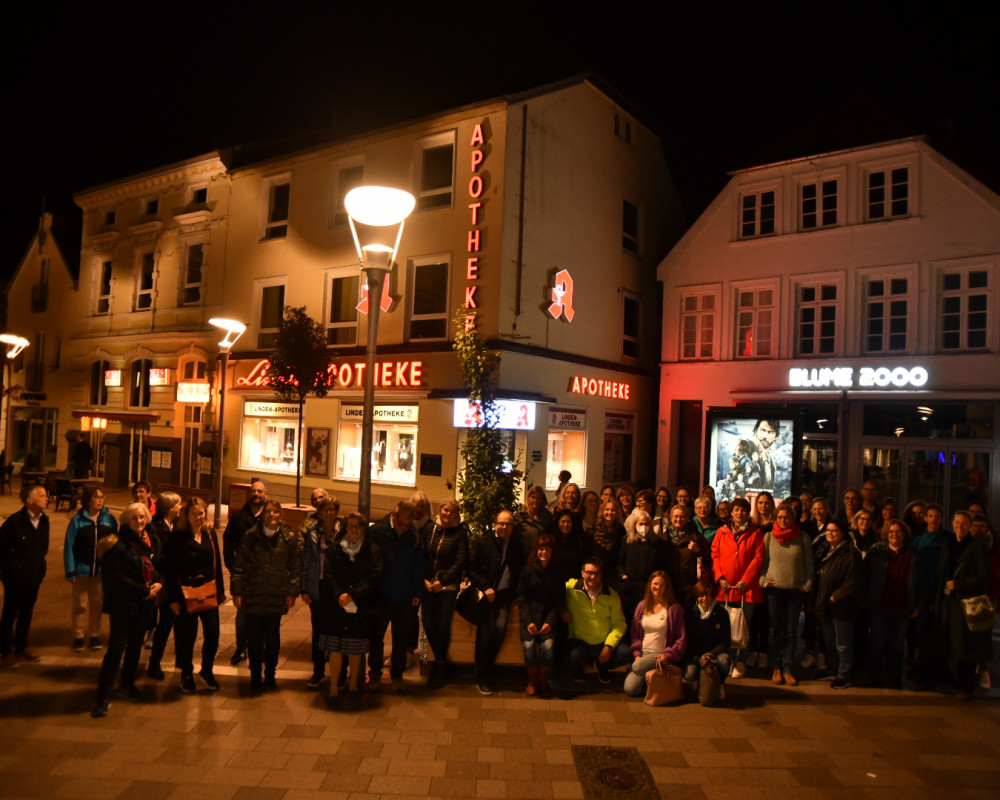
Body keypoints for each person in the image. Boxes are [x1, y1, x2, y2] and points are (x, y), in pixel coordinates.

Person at [91, 503, 163, 716]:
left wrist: (160, 583)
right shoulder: (118, 544)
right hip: (124, 605)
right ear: (126, 520)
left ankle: (127, 685)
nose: (139, 522)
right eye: (135, 518)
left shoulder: (146, 540)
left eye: (142, 518)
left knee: (135, 647)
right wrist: (144, 590)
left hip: (143, 604)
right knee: (116, 649)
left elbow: (152, 568)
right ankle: (102, 696)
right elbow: (116, 577)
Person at [230, 500, 300, 692]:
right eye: (268, 512)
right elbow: (239, 566)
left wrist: (292, 592)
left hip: (276, 595)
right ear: (262, 515)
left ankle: (270, 674)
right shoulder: (250, 536)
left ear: (281, 515)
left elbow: (295, 567)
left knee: (272, 638)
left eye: (276, 512)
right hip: (253, 595)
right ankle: (254, 675)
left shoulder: (288, 537)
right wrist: (237, 592)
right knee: (253, 638)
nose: (272, 515)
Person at [320, 511, 382, 709]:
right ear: (345, 528)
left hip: (361, 605)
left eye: (358, 526)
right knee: (336, 648)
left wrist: (353, 594)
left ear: (363, 528)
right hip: (337, 606)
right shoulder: (335, 549)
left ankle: (354, 684)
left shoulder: (372, 550)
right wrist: (340, 595)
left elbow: (374, 575)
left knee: (356, 647)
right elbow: (328, 574)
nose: (354, 529)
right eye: (350, 526)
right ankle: (334, 689)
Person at [165, 497, 225, 693]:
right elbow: (171, 569)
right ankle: (186, 673)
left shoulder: (210, 534)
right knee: (186, 637)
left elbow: (216, 564)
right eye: (194, 514)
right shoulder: (177, 537)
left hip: (208, 591)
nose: (198, 517)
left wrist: (221, 592)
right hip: (185, 594)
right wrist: (173, 599)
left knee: (213, 634)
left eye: (201, 513)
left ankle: (207, 670)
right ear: (186, 515)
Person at [467, 510, 524, 695]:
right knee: (484, 631)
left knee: (500, 628)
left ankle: (484, 665)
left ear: (512, 527)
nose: (504, 527)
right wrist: (485, 587)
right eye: (501, 523)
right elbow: (471, 569)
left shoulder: (516, 546)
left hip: (505, 596)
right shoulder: (483, 543)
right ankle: (483, 675)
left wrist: (516, 594)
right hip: (485, 595)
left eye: (507, 524)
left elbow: (519, 571)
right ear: (495, 524)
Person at [369, 500, 424, 693]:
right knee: (376, 636)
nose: (405, 527)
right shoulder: (377, 531)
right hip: (381, 593)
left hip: (404, 596)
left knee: (400, 639)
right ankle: (375, 673)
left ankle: (397, 675)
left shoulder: (414, 535)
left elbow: (418, 565)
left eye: (409, 524)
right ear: (394, 515)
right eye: (403, 523)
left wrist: (417, 592)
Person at [937, 511, 991, 700]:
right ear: (952, 524)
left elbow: (983, 575)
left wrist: (958, 585)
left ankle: (965, 686)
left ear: (970, 526)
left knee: (964, 646)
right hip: (947, 601)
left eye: (964, 523)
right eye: (957, 522)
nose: (960, 526)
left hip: (965, 602)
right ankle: (949, 680)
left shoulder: (977, 547)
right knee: (947, 642)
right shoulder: (947, 545)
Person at [760, 503, 813, 686]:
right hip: (774, 591)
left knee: (791, 631)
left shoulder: (803, 537)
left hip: (795, 591)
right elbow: (763, 563)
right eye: (780, 517)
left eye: (787, 517)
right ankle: (775, 666)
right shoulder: (769, 537)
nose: (783, 520)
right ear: (776, 518)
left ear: (793, 518)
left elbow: (809, 565)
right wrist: (763, 581)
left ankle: (788, 667)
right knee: (774, 629)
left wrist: (807, 585)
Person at [711, 497, 765, 679]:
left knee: (744, 626)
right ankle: (726, 659)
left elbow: (758, 558)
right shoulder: (721, 532)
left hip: (746, 589)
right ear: (731, 513)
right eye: (736, 510)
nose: (739, 513)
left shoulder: (756, 533)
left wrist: (746, 580)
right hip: (725, 588)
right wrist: (720, 578)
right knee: (725, 626)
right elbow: (715, 555)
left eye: (743, 510)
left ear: (747, 512)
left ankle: (741, 660)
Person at [865, 518, 919, 688]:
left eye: (898, 531)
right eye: (891, 531)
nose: (894, 535)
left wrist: (918, 604)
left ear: (904, 534)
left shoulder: (913, 554)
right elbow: (865, 576)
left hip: (903, 606)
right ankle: (875, 677)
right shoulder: (876, 551)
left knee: (897, 645)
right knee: (877, 642)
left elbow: (921, 581)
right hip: (879, 605)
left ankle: (894, 677)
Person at [0, 486, 50, 668]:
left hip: (34, 576)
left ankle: (21, 647)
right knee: (10, 614)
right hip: (15, 578)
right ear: (30, 500)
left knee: (27, 613)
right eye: (42, 496)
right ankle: (6, 652)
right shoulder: (14, 523)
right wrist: (9, 573)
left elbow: (43, 548)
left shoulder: (44, 521)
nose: (47, 498)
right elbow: (2, 552)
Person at [421, 499, 468, 688]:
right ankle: (442, 660)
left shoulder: (460, 533)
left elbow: (461, 560)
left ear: (457, 515)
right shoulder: (429, 529)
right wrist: (424, 579)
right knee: (428, 622)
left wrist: (443, 581)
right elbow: (422, 555)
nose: (448, 514)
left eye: (452, 512)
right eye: (446, 510)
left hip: (447, 587)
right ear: (440, 510)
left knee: (443, 624)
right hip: (427, 585)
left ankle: (439, 666)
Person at [64, 484, 117, 652]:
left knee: (97, 604)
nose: (100, 500)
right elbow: (69, 546)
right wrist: (71, 571)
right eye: (96, 497)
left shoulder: (109, 520)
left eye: (102, 497)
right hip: (82, 570)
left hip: (101, 572)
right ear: (88, 500)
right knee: (80, 604)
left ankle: (94, 635)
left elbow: (115, 545)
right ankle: (78, 636)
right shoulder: (77, 521)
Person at [564, 556, 631, 684]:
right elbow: (554, 595)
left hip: (603, 642)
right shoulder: (572, 588)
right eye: (589, 573)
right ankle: (578, 670)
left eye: (596, 573)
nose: (593, 577)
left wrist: (609, 646)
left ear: (601, 575)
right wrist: (562, 610)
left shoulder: (612, 595)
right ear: (582, 573)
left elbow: (619, 624)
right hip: (580, 641)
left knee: (626, 653)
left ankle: (601, 666)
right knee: (573, 657)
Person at [223, 479, 268, 666]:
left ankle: (261, 647)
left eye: (260, 491)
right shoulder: (239, 517)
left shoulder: (270, 515)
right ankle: (241, 648)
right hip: (244, 574)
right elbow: (227, 541)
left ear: (265, 494)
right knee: (242, 613)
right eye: (254, 491)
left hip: (265, 575)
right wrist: (232, 565)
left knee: (264, 613)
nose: (256, 494)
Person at [814, 519, 863, 689]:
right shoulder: (826, 550)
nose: (830, 533)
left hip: (841, 605)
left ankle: (844, 675)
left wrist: (837, 596)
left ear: (842, 533)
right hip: (826, 604)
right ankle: (833, 670)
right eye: (828, 530)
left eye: (834, 531)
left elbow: (853, 580)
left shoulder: (849, 552)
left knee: (843, 643)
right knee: (830, 640)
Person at [623, 571, 686, 697]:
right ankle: (648, 676)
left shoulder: (673, 609)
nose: (658, 587)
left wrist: (668, 656)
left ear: (666, 587)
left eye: (662, 585)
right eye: (655, 584)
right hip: (643, 655)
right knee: (630, 689)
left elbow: (681, 639)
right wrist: (637, 654)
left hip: (660, 655)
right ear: (650, 585)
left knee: (636, 668)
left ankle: (648, 674)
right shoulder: (642, 606)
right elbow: (634, 633)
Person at [517, 534, 564, 697]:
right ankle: (533, 681)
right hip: (529, 618)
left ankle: (543, 682)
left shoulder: (557, 572)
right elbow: (521, 597)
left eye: (547, 549)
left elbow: (559, 600)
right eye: (540, 549)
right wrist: (528, 621)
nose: (543, 552)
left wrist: (550, 622)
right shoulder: (527, 570)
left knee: (548, 647)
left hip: (548, 619)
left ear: (552, 551)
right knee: (529, 648)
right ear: (536, 550)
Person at [301, 496, 341, 689]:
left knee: (338, 630)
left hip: (336, 588)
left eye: (333, 509)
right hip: (317, 586)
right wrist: (304, 588)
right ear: (320, 511)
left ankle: (339, 673)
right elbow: (307, 560)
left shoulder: (343, 531)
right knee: (318, 631)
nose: (329, 513)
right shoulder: (313, 531)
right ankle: (318, 671)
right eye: (326, 509)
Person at [911, 503, 949, 689]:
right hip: (922, 596)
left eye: (937, 516)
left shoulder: (948, 540)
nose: (933, 519)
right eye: (930, 516)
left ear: (942, 519)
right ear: (925, 518)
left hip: (942, 594)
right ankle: (922, 672)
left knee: (941, 635)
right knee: (923, 636)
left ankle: (941, 672)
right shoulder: (917, 541)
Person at [145, 491, 182, 680]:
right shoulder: (154, 528)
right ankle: (153, 663)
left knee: (169, 624)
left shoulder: (175, 526)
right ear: (170, 508)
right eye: (178, 504)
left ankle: (166, 661)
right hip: (160, 584)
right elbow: (156, 558)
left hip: (170, 584)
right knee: (159, 625)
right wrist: (160, 580)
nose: (181, 507)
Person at [684, 579, 731, 702]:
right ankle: (699, 681)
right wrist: (697, 658)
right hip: (697, 656)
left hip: (715, 654)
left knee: (725, 661)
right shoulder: (692, 614)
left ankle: (720, 684)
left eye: (706, 595)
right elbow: (687, 642)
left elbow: (725, 641)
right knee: (689, 673)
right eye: (700, 596)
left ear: (712, 595)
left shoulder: (722, 613)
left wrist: (711, 654)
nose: (703, 599)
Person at [616, 509, 666, 620]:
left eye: (647, 524)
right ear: (635, 525)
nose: (644, 526)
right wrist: (623, 575)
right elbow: (620, 563)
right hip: (629, 588)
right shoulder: (626, 541)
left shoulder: (656, 543)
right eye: (641, 524)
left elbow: (661, 565)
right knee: (627, 619)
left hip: (648, 589)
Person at [660, 503, 711, 609]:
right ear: (671, 517)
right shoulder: (663, 538)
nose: (679, 519)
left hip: (689, 588)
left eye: (682, 516)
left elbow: (708, 559)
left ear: (687, 518)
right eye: (676, 516)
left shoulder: (696, 537)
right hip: (668, 587)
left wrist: (698, 551)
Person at [590, 500, 625, 577]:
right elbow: (588, 551)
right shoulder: (593, 527)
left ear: (617, 512)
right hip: (595, 571)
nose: (610, 512)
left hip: (613, 572)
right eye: (607, 509)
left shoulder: (621, 529)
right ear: (602, 511)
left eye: (613, 510)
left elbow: (622, 553)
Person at [514, 486, 551, 557]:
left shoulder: (547, 516)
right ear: (528, 498)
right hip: (521, 555)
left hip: (540, 556)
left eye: (539, 498)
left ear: (543, 500)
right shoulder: (520, 514)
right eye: (533, 497)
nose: (536, 500)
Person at [746, 419, 779, 491]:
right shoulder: (748, 450)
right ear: (755, 431)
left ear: (776, 437)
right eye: (762, 430)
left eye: (770, 432)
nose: (765, 436)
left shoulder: (770, 458)